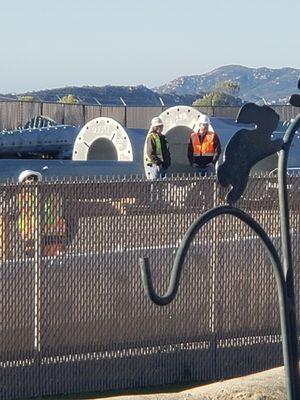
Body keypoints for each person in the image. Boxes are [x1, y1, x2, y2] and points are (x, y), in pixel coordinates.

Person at [18, 170, 66, 257]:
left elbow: (56, 213)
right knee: (33, 256)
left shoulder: (50, 196)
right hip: (30, 233)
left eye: (34, 179)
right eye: (28, 179)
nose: (31, 181)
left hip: (51, 232)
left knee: (52, 256)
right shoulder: (20, 198)